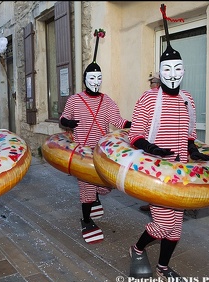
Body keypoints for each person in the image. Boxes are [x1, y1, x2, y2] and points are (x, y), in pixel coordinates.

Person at [127, 5, 209, 282]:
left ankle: (163, 266)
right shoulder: (148, 99)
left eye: (177, 69)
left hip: (181, 172)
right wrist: (154, 150)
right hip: (156, 173)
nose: (173, 74)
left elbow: (189, 132)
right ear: (160, 72)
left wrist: (194, 150)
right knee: (163, 224)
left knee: (176, 229)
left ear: (184, 71)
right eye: (167, 69)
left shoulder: (188, 98)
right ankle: (137, 249)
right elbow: (135, 136)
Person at [60, 28, 131, 244]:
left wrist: (133, 125)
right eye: (92, 77)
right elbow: (64, 118)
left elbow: (117, 121)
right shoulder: (75, 99)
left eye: (99, 78)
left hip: (102, 151)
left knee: (105, 185)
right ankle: (86, 220)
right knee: (86, 188)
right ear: (85, 79)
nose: (95, 81)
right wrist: (68, 122)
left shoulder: (107, 100)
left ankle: (97, 197)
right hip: (83, 151)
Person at [139, 72, 161, 213]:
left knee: (152, 175)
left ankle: (155, 206)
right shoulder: (174, 97)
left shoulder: (146, 96)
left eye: (152, 83)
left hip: (150, 143)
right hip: (168, 143)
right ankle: (155, 204)